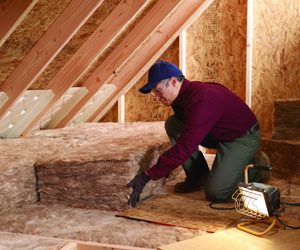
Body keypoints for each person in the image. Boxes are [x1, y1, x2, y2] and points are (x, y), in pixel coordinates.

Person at [127, 60, 263, 207]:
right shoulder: (180, 97)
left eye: (158, 90)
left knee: (216, 193)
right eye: (154, 93)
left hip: (242, 138)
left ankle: (259, 165)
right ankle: (198, 176)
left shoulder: (201, 99)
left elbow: (185, 147)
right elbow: (186, 135)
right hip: (218, 134)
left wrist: (148, 176)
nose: (157, 97)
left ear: (173, 81)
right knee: (173, 123)